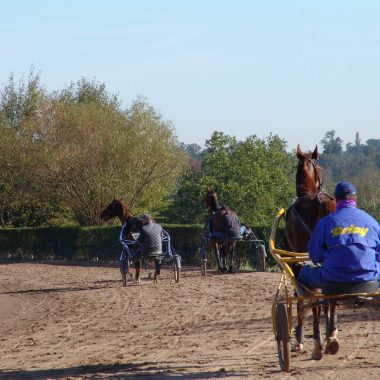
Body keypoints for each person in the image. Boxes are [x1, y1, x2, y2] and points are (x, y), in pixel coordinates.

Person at [297, 182, 380, 290]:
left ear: (335, 199)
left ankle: (308, 303)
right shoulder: (372, 222)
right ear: (355, 199)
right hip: (369, 280)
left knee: (304, 273)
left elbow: (315, 256)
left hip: (332, 281)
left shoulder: (325, 223)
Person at [135, 214, 163, 280]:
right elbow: (161, 237)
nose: (141, 222)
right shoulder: (159, 226)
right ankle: (157, 273)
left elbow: (140, 241)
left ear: (145, 220)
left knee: (135, 255)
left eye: (142, 221)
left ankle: (137, 274)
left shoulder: (143, 228)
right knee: (158, 258)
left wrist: (136, 241)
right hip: (158, 251)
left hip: (146, 252)